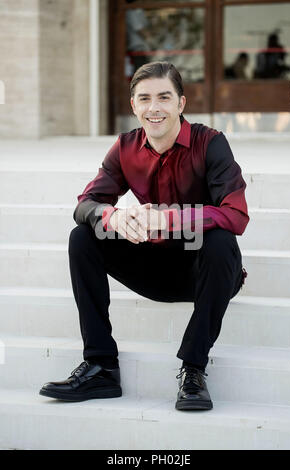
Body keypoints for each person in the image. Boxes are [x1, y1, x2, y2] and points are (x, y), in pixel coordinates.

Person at [39, 62, 249, 411]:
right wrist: (114, 216)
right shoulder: (125, 147)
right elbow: (84, 204)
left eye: (164, 97)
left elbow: (236, 214)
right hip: (153, 270)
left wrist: (169, 218)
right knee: (83, 237)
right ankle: (101, 366)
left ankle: (193, 369)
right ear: (133, 105)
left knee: (221, 240)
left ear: (181, 103)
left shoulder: (210, 144)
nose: (155, 108)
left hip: (207, 272)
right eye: (145, 99)